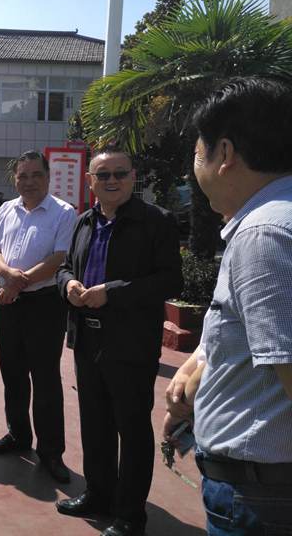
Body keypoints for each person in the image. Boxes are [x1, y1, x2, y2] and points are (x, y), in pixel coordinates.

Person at [165, 77, 292, 535]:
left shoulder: (264, 234)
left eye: (197, 152)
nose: (194, 167)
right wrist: (200, 365)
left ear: (224, 153)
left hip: (260, 497)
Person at [55, 146, 182, 536]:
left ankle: (130, 515)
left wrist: (112, 291)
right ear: (90, 181)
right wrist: (68, 284)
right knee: (94, 423)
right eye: (103, 175)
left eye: (120, 173)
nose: (112, 181)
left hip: (130, 343)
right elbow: (65, 267)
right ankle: (98, 494)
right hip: (86, 338)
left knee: (132, 428)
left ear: (132, 177)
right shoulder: (83, 221)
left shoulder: (156, 221)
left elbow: (170, 280)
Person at [0, 151, 76, 484]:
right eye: (23, 176)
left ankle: (51, 452)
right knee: (13, 374)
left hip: (44, 305)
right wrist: (7, 273)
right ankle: (18, 435)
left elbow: (59, 258)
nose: (29, 182)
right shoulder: (7, 209)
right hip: (7, 303)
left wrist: (16, 284)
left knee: (45, 379)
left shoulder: (64, 212)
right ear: (15, 179)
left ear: (48, 177)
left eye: (36, 175)